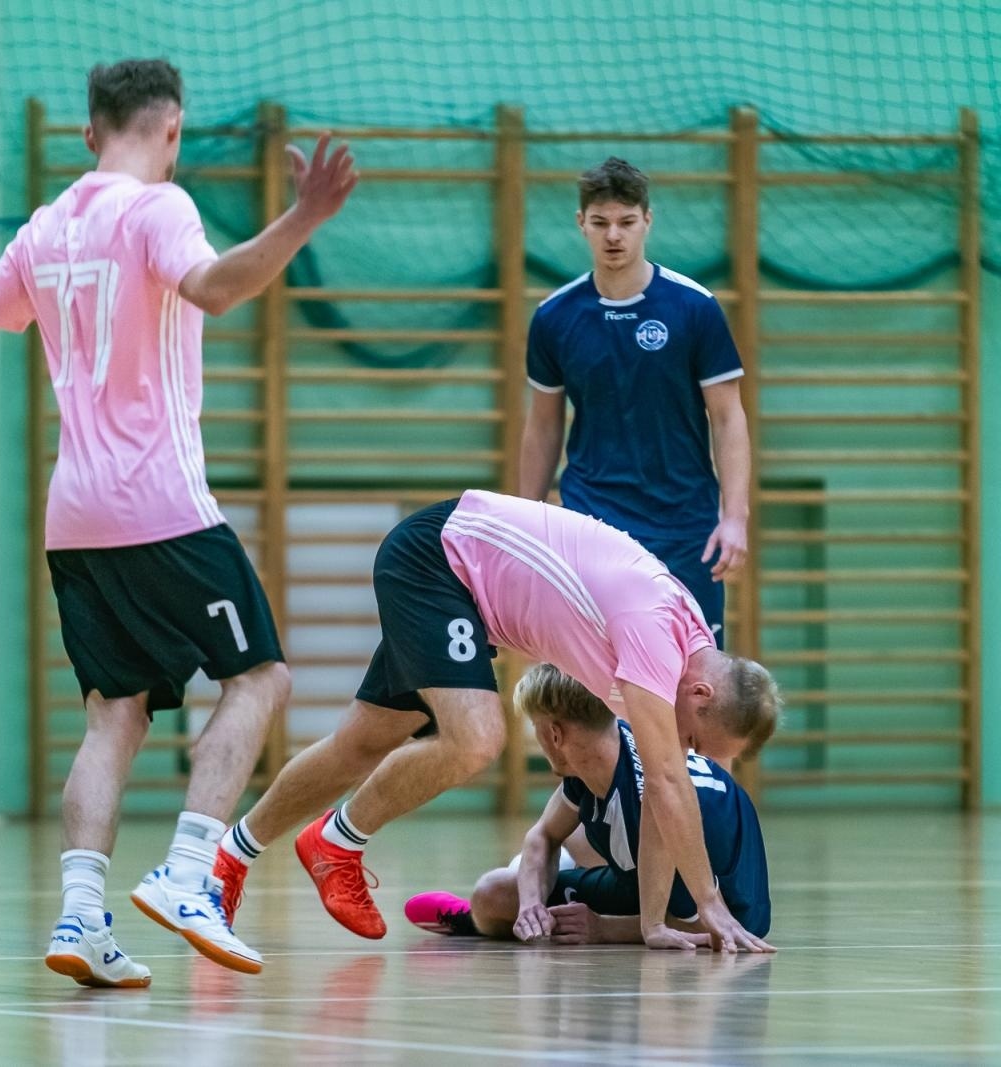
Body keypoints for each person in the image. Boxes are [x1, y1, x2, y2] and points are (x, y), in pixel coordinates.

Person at [0, 57, 357, 983]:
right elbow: (216, 290)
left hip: (78, 519)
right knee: (259, 677)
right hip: (164, 505)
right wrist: (302, 217)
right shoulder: (158, 211)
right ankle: (190, 870)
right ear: (172, 131)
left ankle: (80, 920)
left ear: (86, 131)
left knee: (116, 714)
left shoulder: (46, 227)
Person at [212, 489, 779, 954]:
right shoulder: (656, 633)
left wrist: (654, 924)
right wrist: (708, 905)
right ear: (700, 695)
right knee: (477, 738)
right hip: (442, 561)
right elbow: (669, 782)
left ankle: (228, 858)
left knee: (359, 743)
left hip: (463, 587)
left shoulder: (690, 642)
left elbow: (663, 795)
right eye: (697, 738)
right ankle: (336, 841)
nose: (690, 748)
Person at [519, 157, 752, 646]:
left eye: (626, 222)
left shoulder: (694, 308)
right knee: (592, 672)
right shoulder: (554, 317)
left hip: (685, 521)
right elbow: (543, 425)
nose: (613, 236)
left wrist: (734, 518)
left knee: (695, 675)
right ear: (581, 223)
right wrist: (526, 520)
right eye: (600, 223)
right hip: (593, 516)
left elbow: (728, 418)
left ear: (648, 220)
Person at [403, 663, 770, 945]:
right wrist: (530, 903)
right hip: (635, 880)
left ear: (553, 733)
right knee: (498, 892)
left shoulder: (652, 796)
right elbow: (543, 836)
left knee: (511, 887)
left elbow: (704, 921)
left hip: (725, 914)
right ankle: (488, 914)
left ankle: (473, 923)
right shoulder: (603, 754)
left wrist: (603, 928)